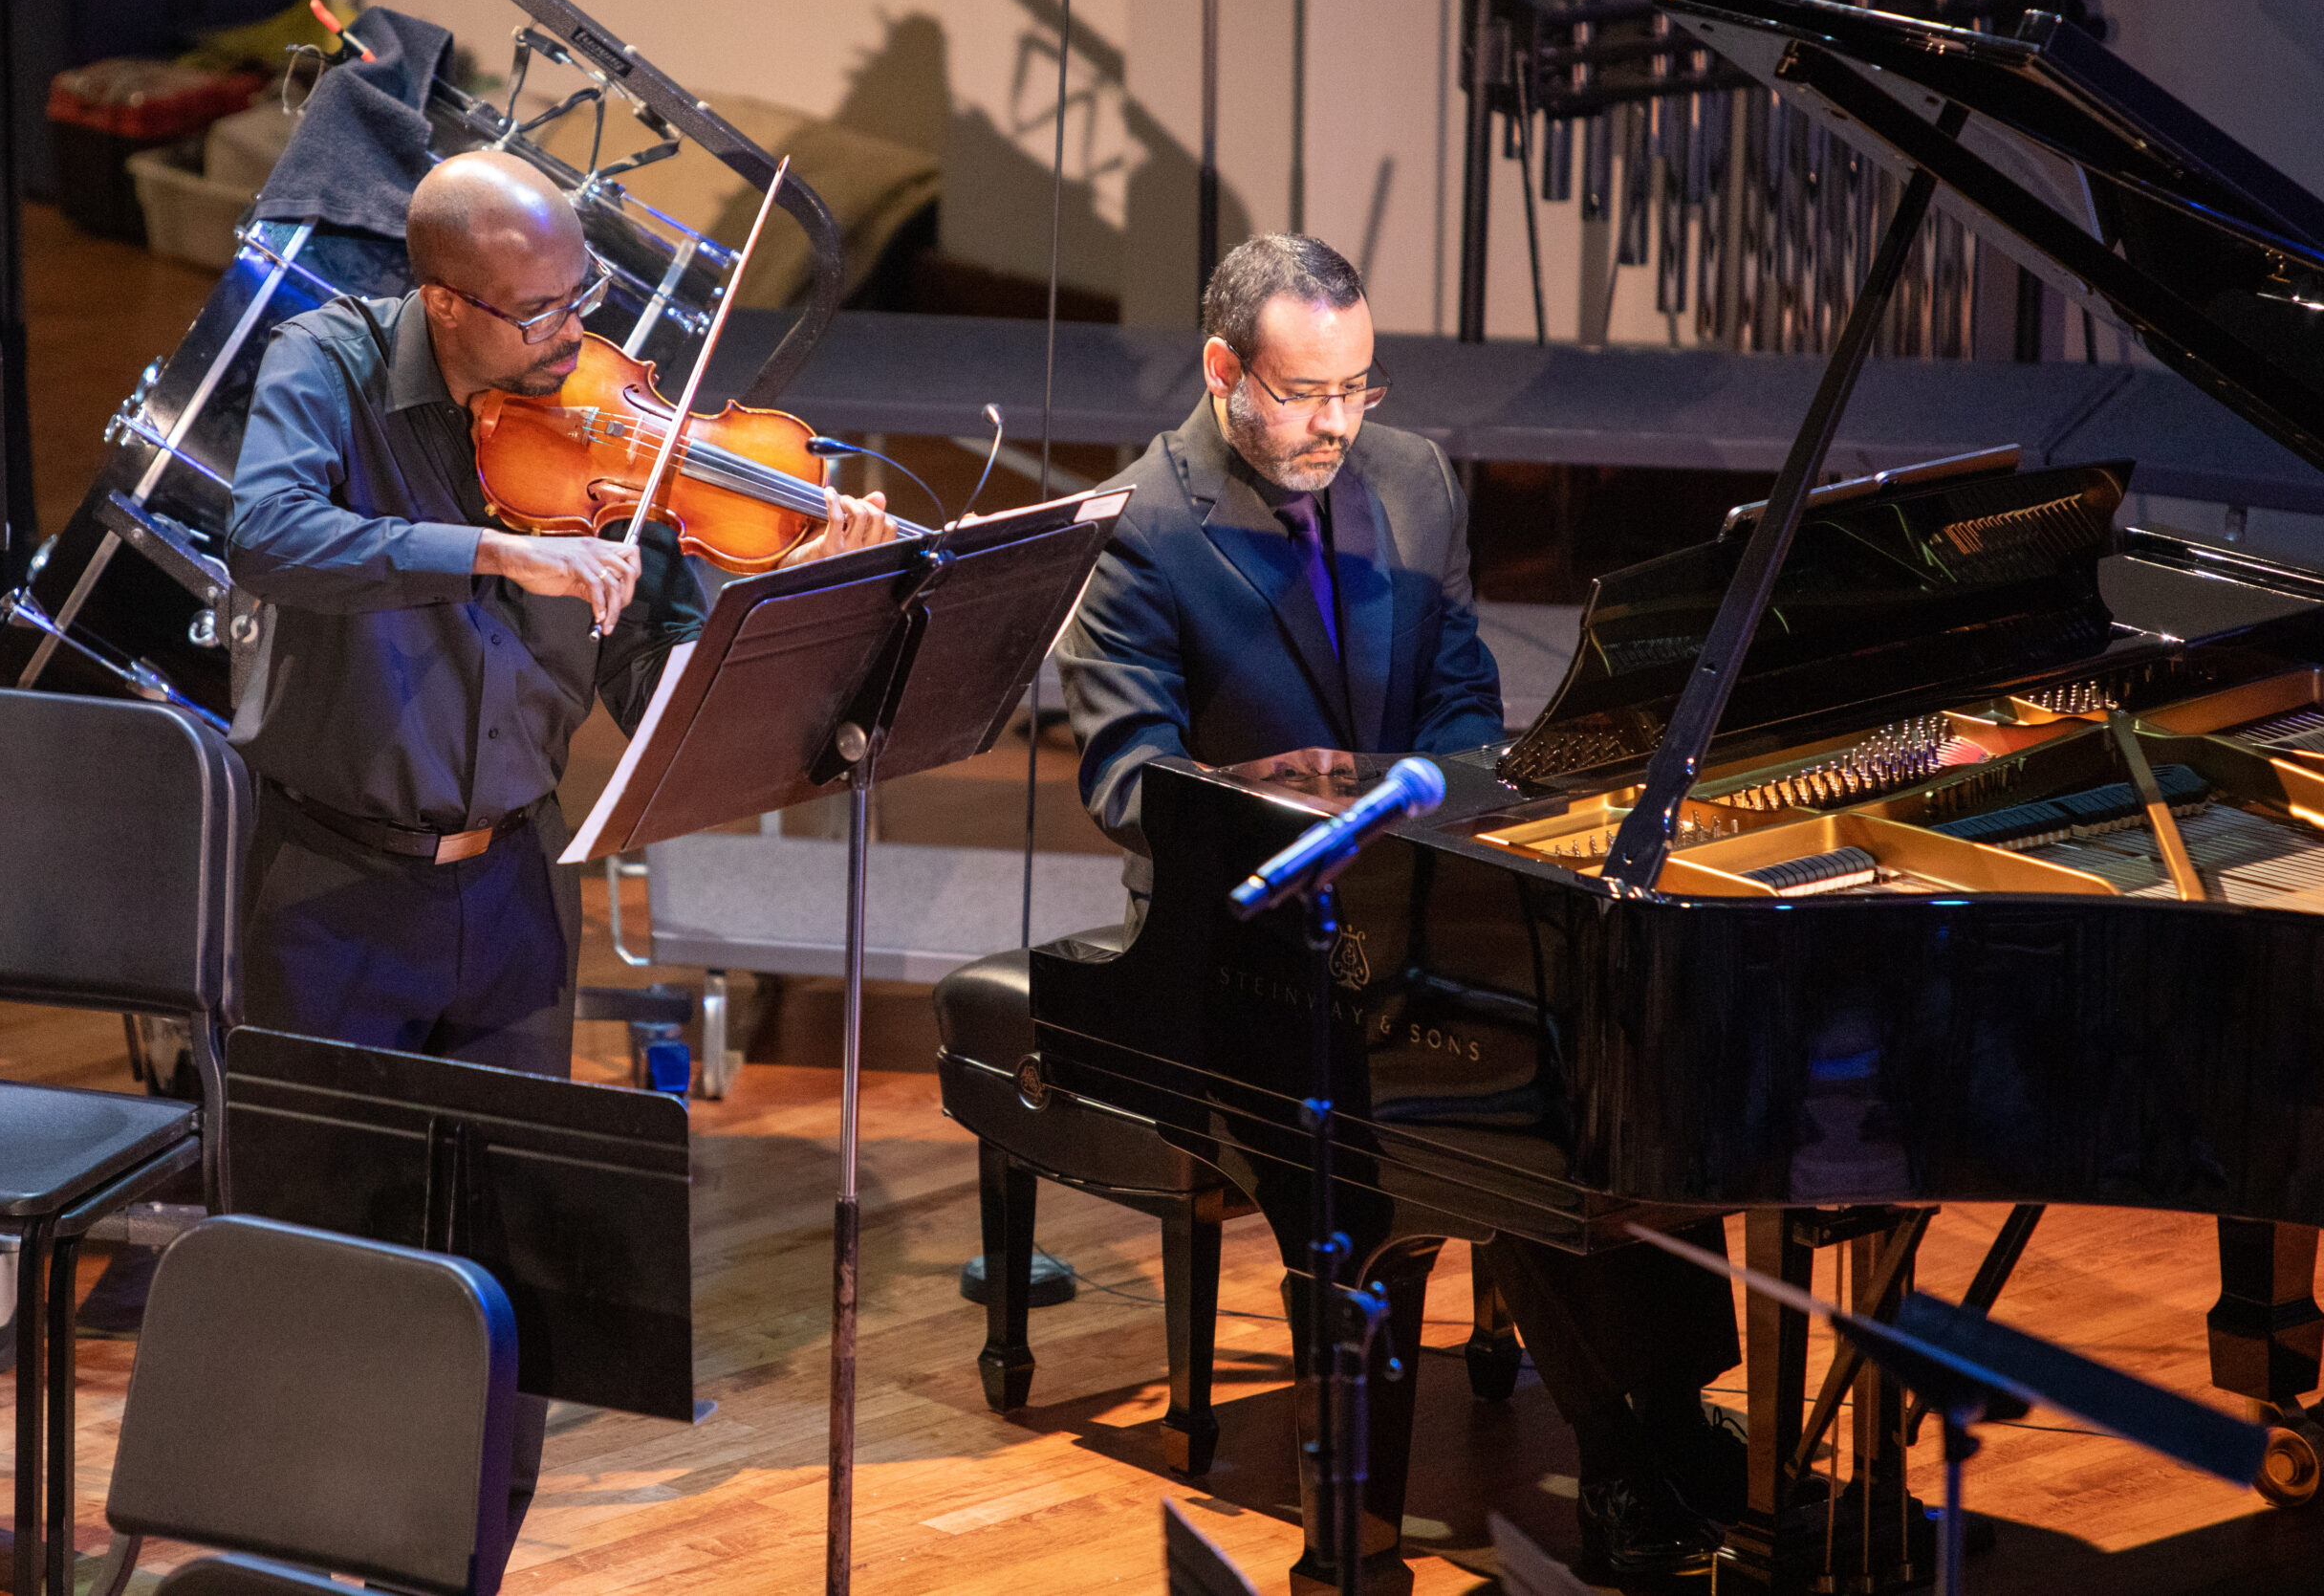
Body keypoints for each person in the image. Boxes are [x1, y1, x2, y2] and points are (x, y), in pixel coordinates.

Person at [225, 149, 897, 1563]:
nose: (572, 336)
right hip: (329, 885)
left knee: (507, 1259)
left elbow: (645, 663)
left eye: (578, 294)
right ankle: (299, 1555)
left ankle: (468, 1556)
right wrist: (492, 553)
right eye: (535, 312)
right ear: (444, 300)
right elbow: (271, 534)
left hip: (516, 890)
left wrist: (775, 597)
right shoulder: (325, 366)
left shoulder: (606, 423)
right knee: (314, 1245)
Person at [1057, 233, 1742, 1577]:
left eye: (1357, 387)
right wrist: (1274, 793)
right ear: (1223, 370)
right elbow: (1125, 780)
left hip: (1420, 894)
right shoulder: (1139, 526)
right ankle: (1626, 1460)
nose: (1334, 423)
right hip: (1237, 934)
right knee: (1504, 1097)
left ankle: (1669, 1411)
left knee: (1607, 1039)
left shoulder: (1417, 481)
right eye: (1306, 392)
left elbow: (1465, 698)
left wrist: (1459, 801)